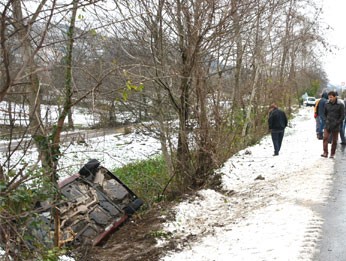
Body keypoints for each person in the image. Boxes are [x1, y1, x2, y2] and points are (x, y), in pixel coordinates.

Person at [321, 91, 345, 158]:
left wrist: (337, 122)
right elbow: (324, 114)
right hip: (328, 124)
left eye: (331, 97)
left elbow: (342, 116)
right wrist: (325, 120)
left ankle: (332, 154)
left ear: (335, 97)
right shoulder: (327, 104)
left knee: (334, 140)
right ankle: (325, 152)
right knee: (325, 138)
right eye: (329, 97)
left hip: (336, 125)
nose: (330, 98)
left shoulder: (340, 105)